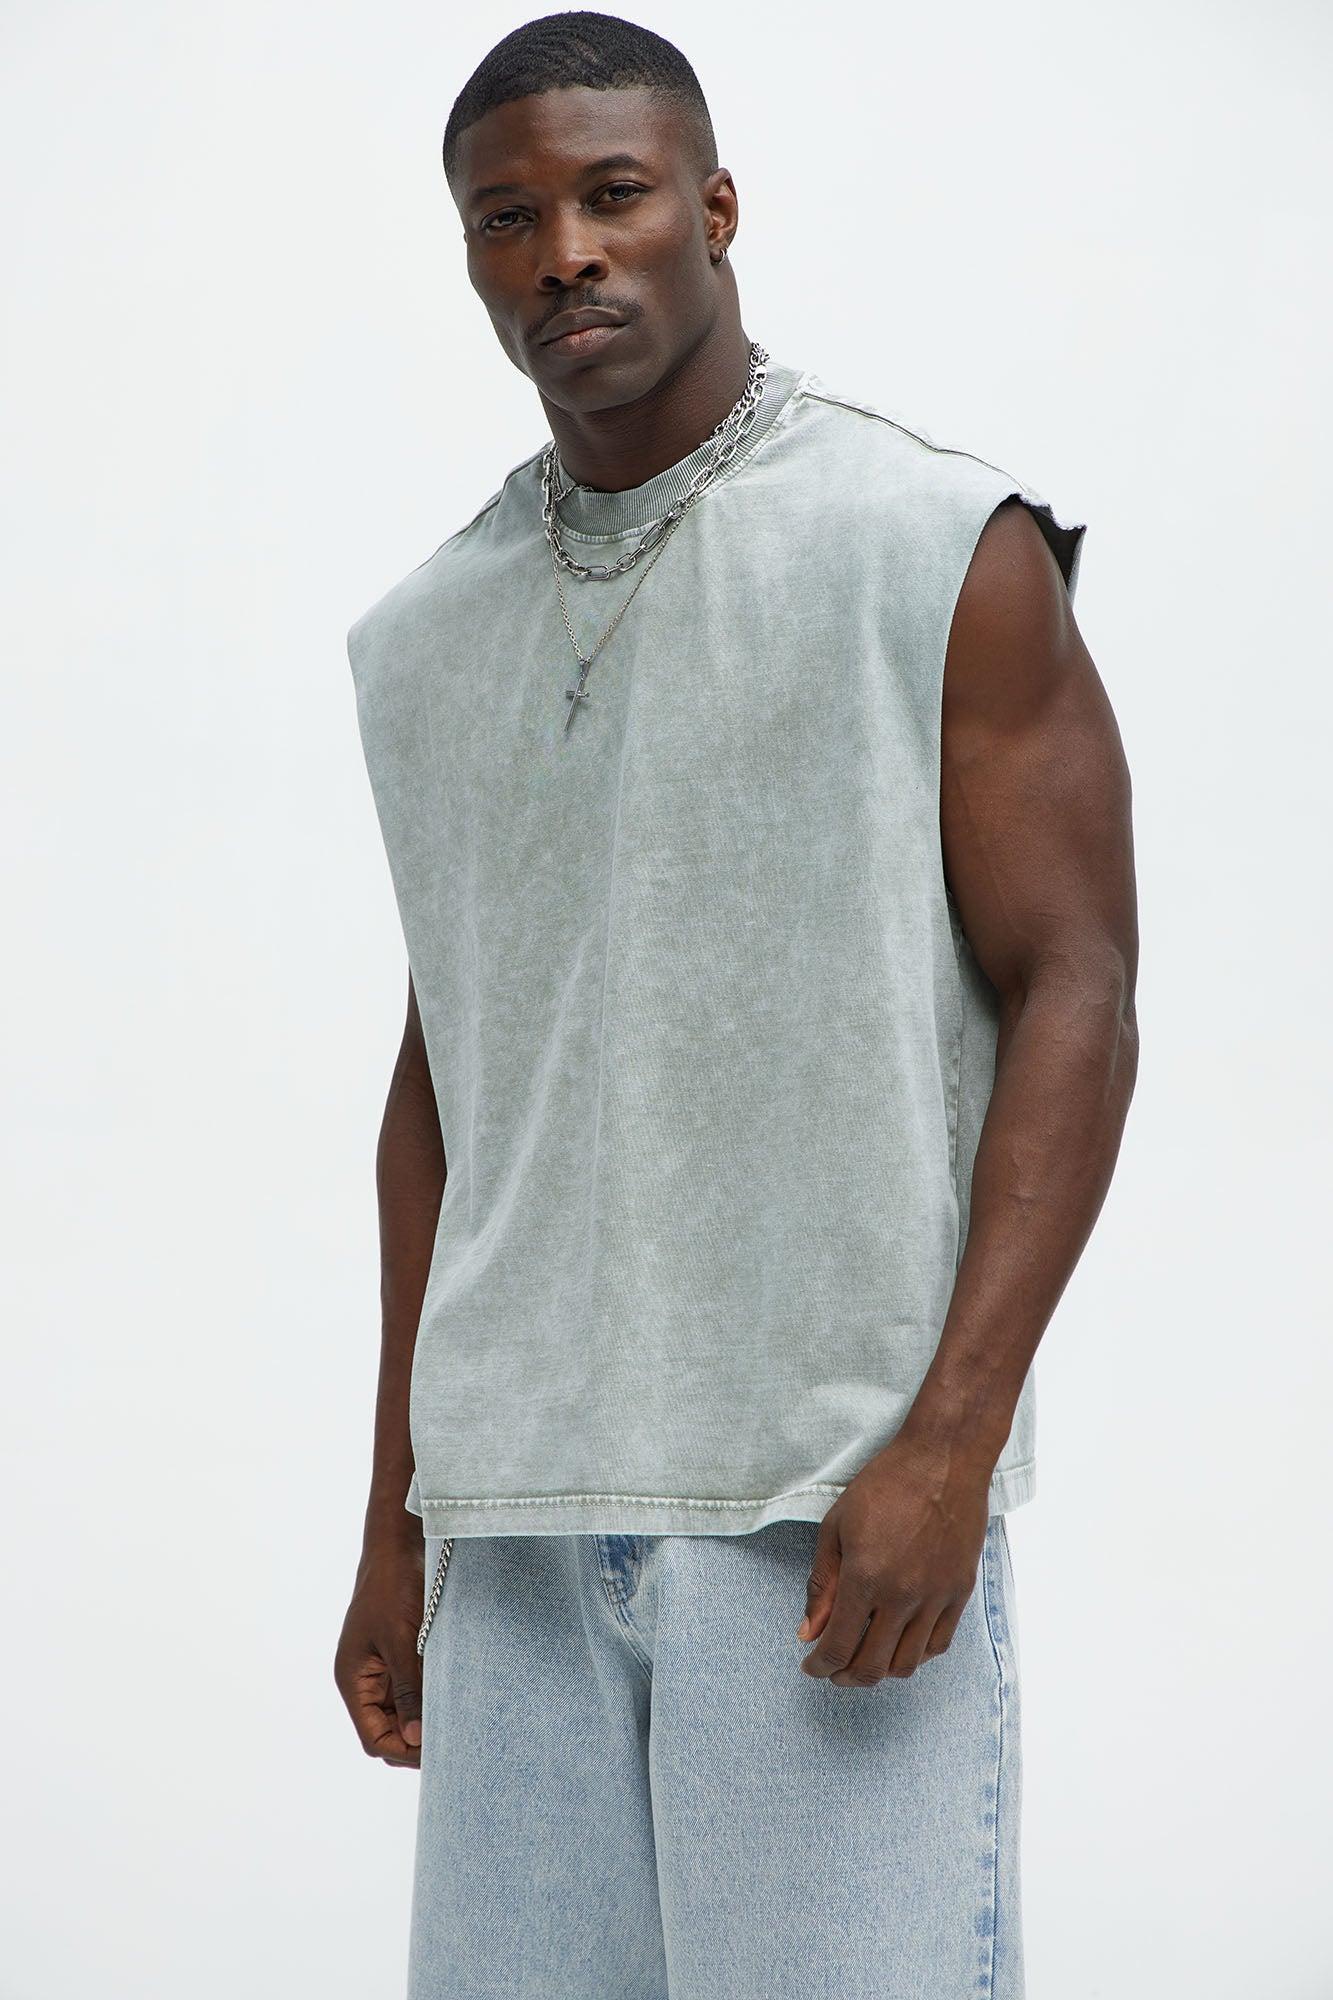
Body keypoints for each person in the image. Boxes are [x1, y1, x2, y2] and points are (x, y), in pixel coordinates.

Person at [333, 12, 1139, 1997]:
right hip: (515, 1534)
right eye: (505, 219)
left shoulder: (932, 547)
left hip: (822, 1510)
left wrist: (950, 1443)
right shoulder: (423, 635)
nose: (563, 255)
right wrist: (399, 1516)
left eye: (610, 195)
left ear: (711, 207)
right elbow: (449, 1080)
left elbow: (1078, 985)